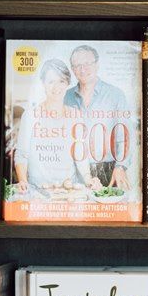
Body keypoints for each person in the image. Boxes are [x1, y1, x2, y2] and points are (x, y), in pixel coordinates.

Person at [63, 44, 130, 191]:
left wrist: (120, 166)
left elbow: (124, 137)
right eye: (77, 65)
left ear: (97, 65)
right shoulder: (65, 97)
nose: (83, 69)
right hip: (75, 173)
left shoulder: (116, 95)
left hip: (109, 170)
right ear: (73, 69)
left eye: (87, 63)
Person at [12, 58, 80, 193]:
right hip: (37, 191)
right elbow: (21, 154)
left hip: (70, 190)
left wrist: (89, 178)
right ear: (43, 83)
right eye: (51, 81)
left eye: (61, 81)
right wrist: (23, 181)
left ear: (67, 83)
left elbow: (80, 155)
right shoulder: (30, 115)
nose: (57, 87)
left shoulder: (76, 115)